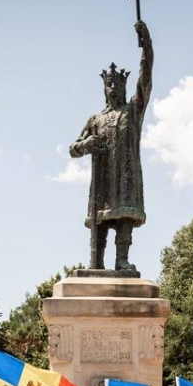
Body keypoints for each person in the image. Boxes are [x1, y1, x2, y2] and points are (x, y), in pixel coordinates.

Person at [69, 21, 153, 271]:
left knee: (124, 216)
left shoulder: (132, 111)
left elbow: (146, 79)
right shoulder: (95, 119)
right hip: (103, 183)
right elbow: (73, 147)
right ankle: (96, 262)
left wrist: (146, 46)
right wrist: (87, 144)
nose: (113, 88)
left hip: (125, 179)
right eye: (109, 84)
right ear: (104, 88)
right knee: (101, 222)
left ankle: (121, 260)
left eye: (117, 84)